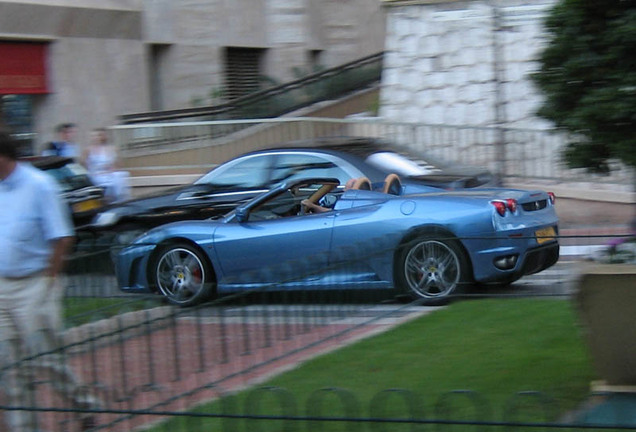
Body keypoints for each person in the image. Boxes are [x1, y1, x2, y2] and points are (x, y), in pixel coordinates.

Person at [0, 131, 99, 431]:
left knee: (44, 359)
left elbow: (63, 237)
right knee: (8, 363)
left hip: (36, 283)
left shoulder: (40, 186)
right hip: (2, 286)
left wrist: (49, 280)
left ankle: (84, 406)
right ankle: (24, 426)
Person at [82, 128, 130, 203]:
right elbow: (85, 165)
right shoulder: (87, 150)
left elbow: (119, 164)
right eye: (93, 136)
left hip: (109, 174)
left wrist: (112, 169)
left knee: (118, 177)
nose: (95, 138)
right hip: (95, 175)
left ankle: (118, 200)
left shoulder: (112, 148)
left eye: (98, 135)